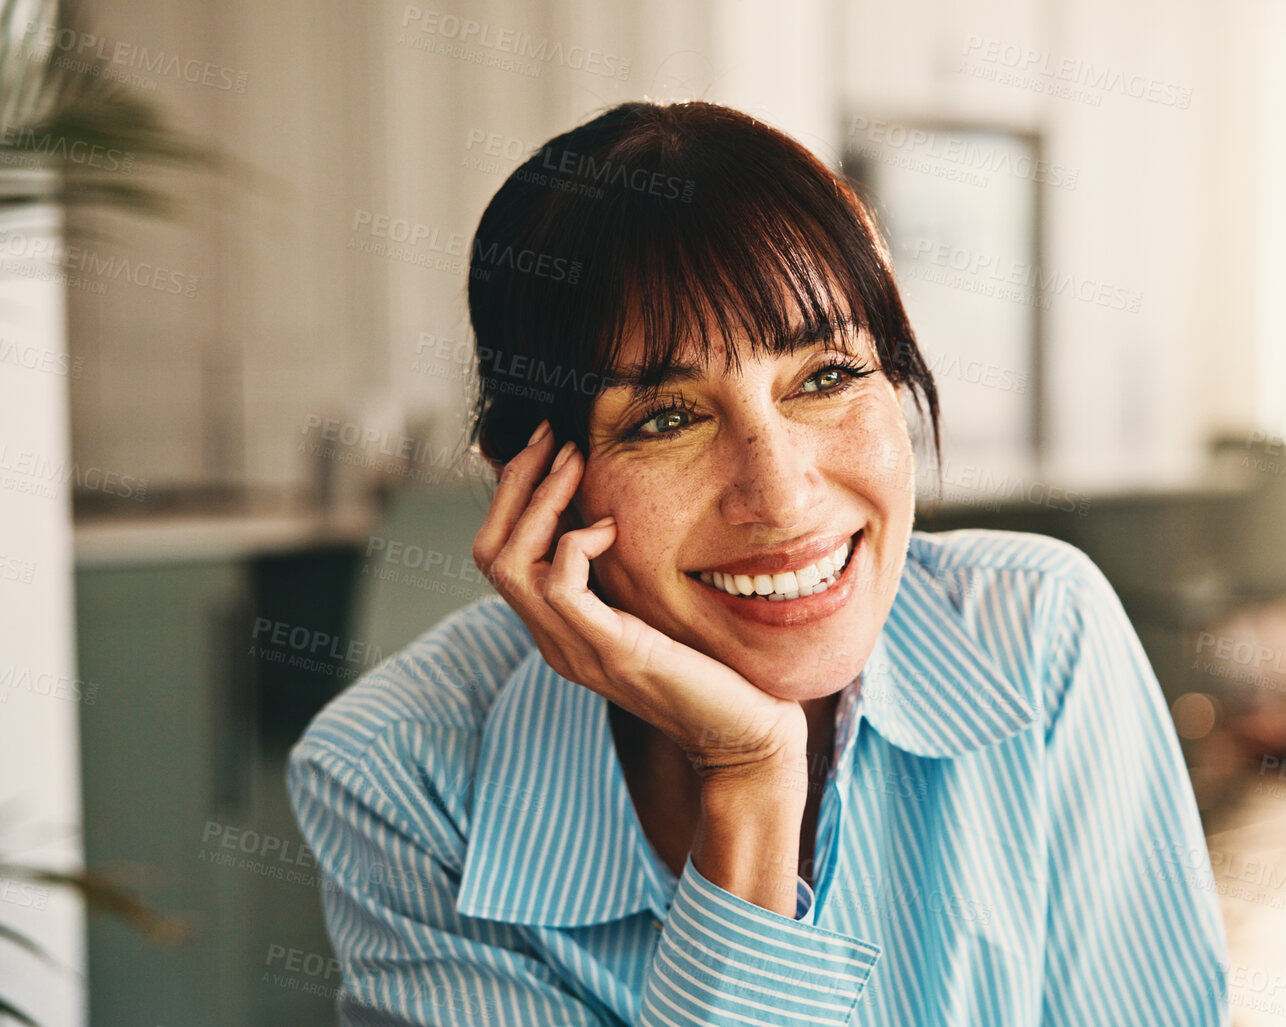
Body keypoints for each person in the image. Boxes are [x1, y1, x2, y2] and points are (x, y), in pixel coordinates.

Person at [287, 100, 1229, 1025]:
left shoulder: (1037, 637)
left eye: (825, 377)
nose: (779, 495)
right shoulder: (398, 778)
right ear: (536, 483)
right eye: (666, 418)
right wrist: (748, 777)